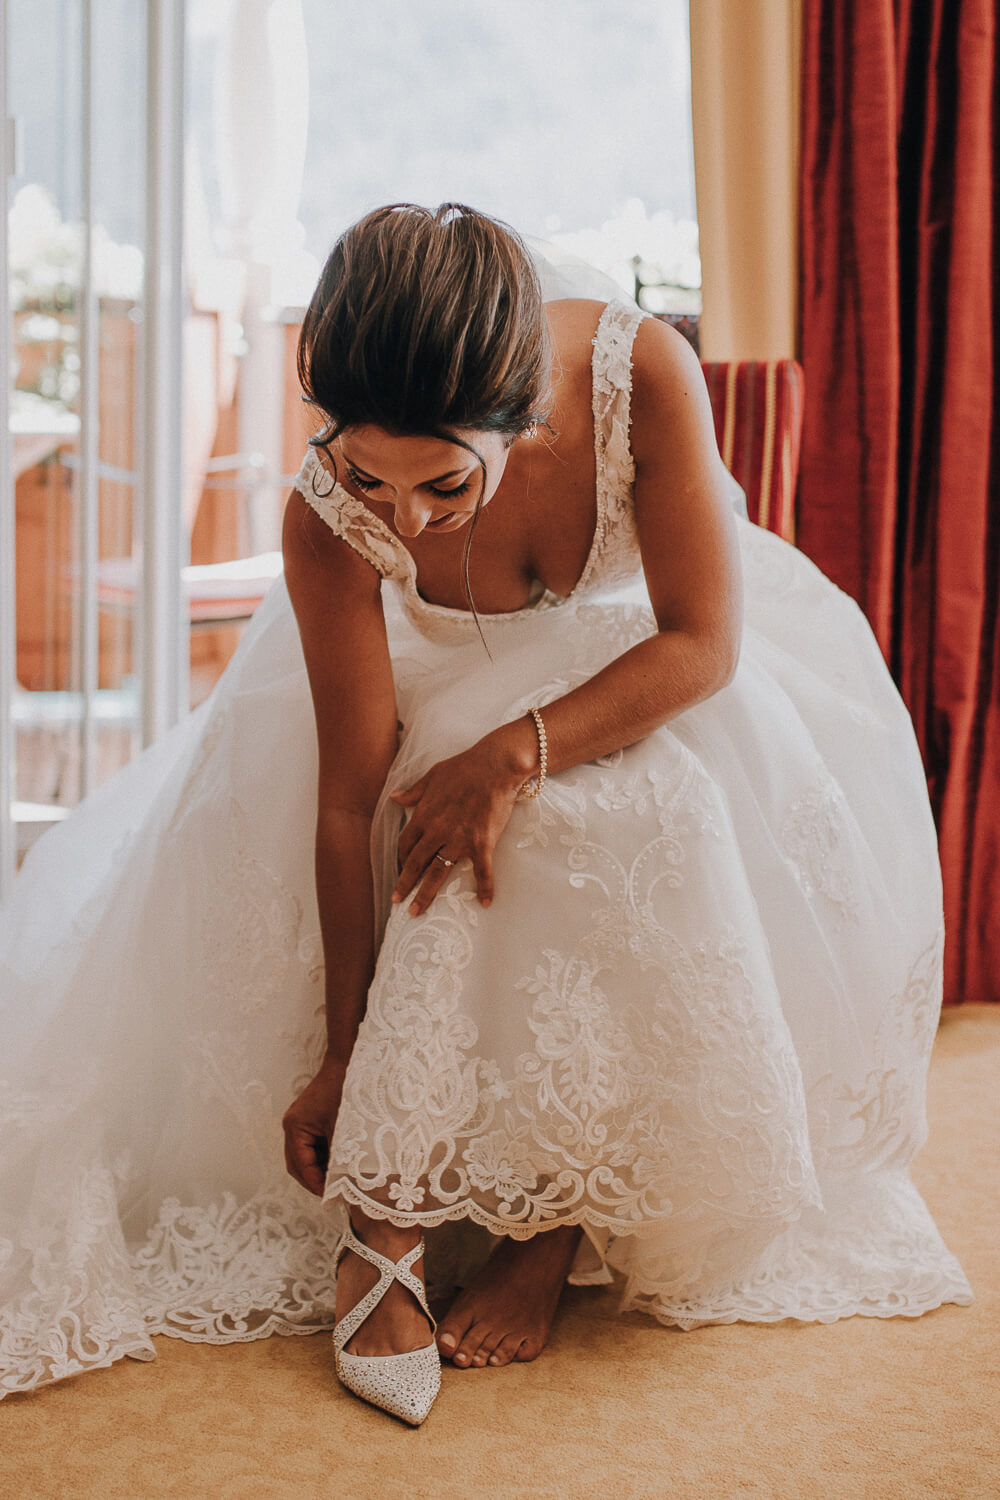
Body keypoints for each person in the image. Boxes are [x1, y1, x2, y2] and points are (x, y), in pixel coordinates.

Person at [0, 203, 971, 1421]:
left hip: (652, 673)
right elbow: (348, 796)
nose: (402, 520)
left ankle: (553, 1221)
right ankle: (386, 1212)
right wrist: (344, 1054)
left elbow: (702, 643)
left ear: (527, 421)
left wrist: (518, 753)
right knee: (434, 824)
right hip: (440, 685)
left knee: (618, 815)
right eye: (369, 479)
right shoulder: (326, 517)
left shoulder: (639, 375)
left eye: (444, 484)